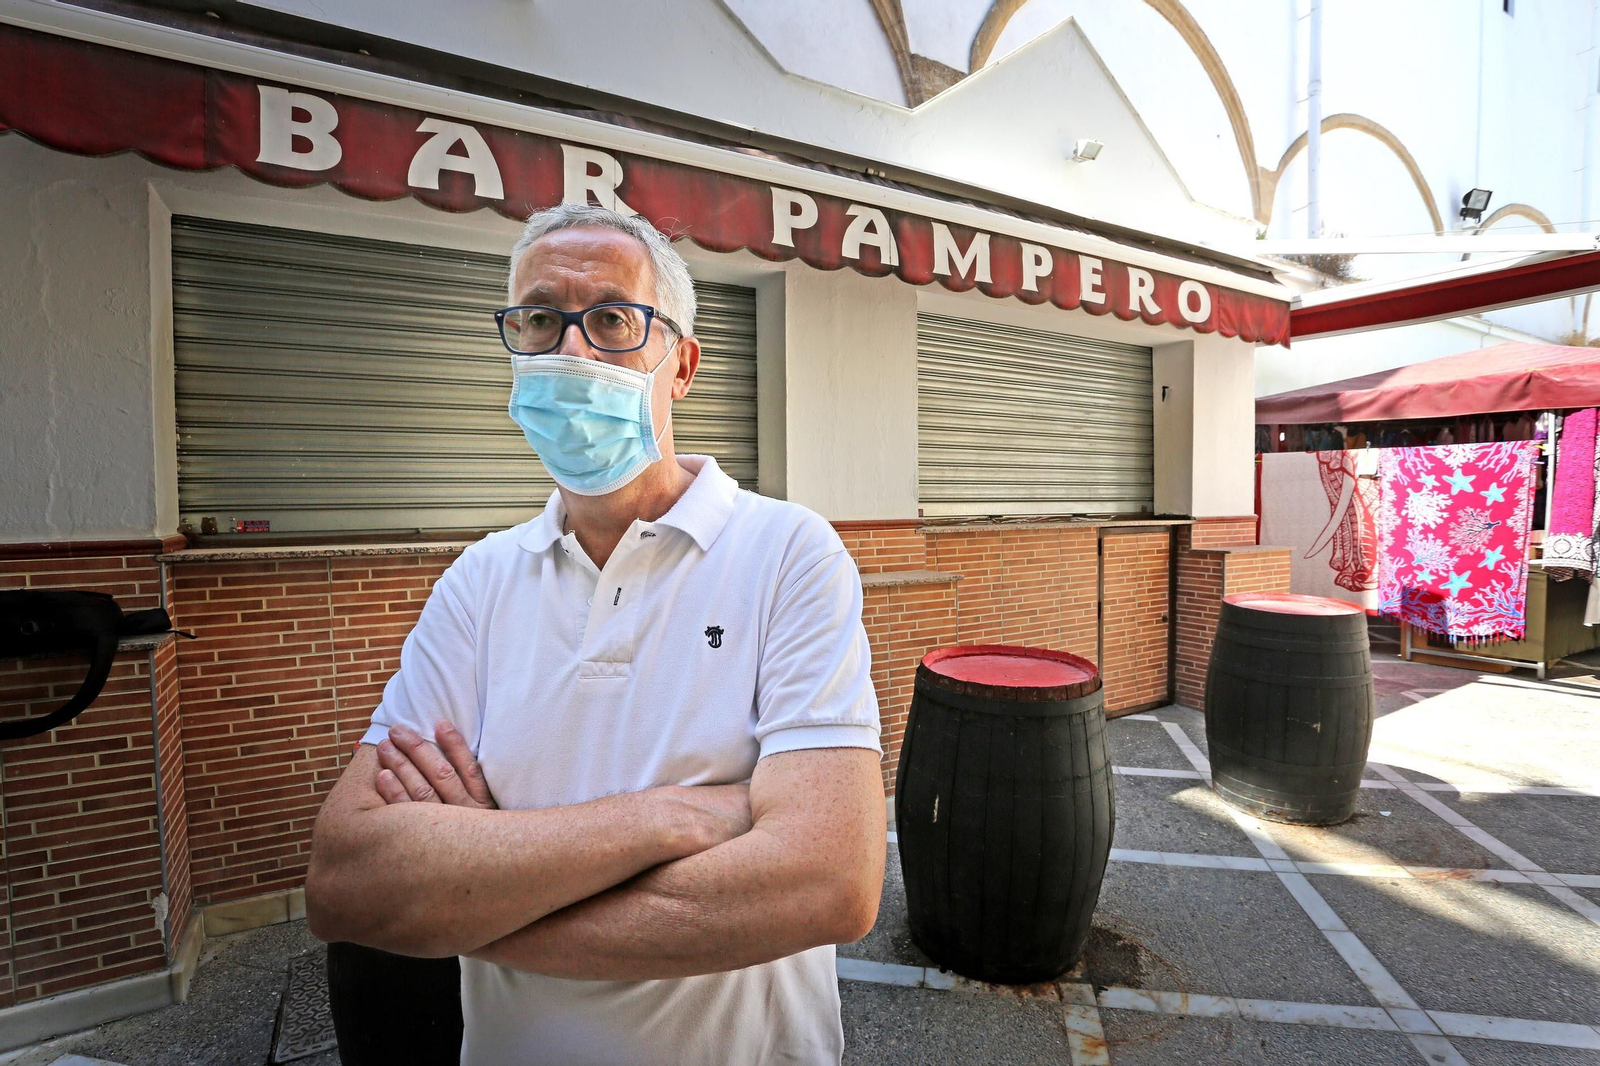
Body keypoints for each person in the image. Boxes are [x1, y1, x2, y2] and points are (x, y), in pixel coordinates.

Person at [304, 203, 886, 1065]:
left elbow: (828, 882)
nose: (570, 351)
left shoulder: (789, 554)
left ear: (680, 364)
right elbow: (350, 882)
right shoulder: (479, 583)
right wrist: (673, 819)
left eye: (612, 320)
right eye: (539, 320)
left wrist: (475, 892)